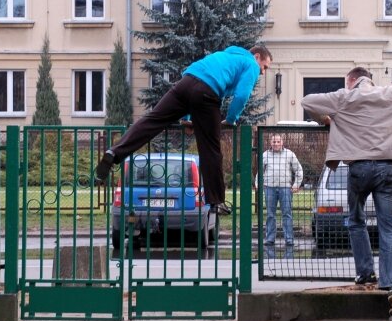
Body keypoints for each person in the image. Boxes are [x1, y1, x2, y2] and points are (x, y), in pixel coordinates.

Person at [302, 67, 392, 318]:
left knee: (355, 220)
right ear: (370, 79)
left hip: (358, 168)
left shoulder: (344, 96)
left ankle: (365, 272)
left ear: (352, 80)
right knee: (389, 228)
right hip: (386, 168)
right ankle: (391, 284)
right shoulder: (391, 93)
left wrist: (327, 120)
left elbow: (307, 101)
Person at [95, 45, 273, 215]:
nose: (263, 72)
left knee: (152, 120)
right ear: (257, 56)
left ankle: (114, 153)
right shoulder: (250, 63)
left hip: (185, 83)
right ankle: (216, 201)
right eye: (264, 67)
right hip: (207, 94)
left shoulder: (226, 55)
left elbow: (195, 88)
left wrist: (187, 119)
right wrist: (232, 119)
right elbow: (241, 95)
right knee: (210, 148)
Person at [261, 134, 304, 251]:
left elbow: (299, 170)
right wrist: (258, 184)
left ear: (282, 142)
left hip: (285, 188)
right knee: (270, 214)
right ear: (270, 143)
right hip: (269, 187)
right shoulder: (265, 155)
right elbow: (260, 172)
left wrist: (296, 184)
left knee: (287, 214)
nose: (276, 144)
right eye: (274, 142)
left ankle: (289, 240)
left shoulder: (290, 154)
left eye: (278, 142)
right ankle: (270, 239)